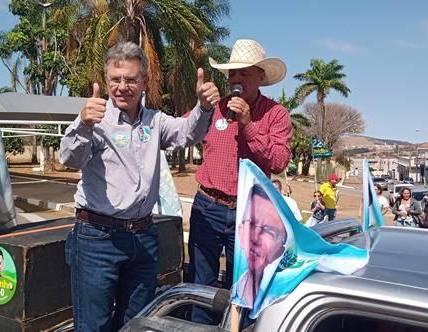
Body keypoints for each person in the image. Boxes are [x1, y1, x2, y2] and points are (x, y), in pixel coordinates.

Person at [59, 41, 218, 332]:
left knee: (137, 324)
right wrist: (82, 124)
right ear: (106, 81)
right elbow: (70, 158)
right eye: (115, 80)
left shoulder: (154, 121)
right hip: (97, 238)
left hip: (142, 238)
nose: (122, 87)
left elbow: (188, 134)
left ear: (144, 82)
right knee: (93, 326)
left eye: (131, 79)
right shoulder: (95, 117)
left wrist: (203, 108)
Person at [187, 39, 292, 324]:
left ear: (260, 76)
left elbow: (280, 160)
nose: (236, 79)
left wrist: (249, 124)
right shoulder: (214, 110)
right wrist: (200, 107)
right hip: (207, 207)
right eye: (232, 74)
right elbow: (180, 133)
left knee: (246, 287)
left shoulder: (276, 114)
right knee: (200, 283)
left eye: (244, 73)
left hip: (251, 213)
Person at [233, 186, 287, 308]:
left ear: (280, 249)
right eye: (251, 224)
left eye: (268, 230)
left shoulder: (280, 303)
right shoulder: (235, 291)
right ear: (240, 231)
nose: (255, 238)